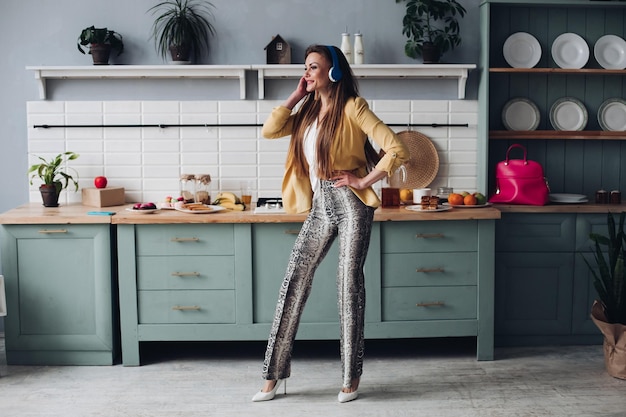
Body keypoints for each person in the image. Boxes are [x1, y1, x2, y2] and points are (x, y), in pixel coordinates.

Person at [252, 44, 409, 403]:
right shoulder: (307, 112)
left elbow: (397, 148)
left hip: (351, 202)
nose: (307, 74)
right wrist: (295, 95)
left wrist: (363, 181)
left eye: (313, 68)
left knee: (348, 286)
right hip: (320, 203)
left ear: (333, 71)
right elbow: (270, 130)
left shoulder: (353, 106)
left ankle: (350, 378)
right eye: (305, 68)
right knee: (294, 280)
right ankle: (272, 375)